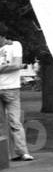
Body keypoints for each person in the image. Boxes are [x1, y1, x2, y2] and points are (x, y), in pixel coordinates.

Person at [0, 24, 32, 161]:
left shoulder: (15, 45)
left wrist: (13, 66)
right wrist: (12, 66)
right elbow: (16, 66)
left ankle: (22, 152)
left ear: (3, 36)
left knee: (15, 121)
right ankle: (4, 155)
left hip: (12, 88)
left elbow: (18, 65)